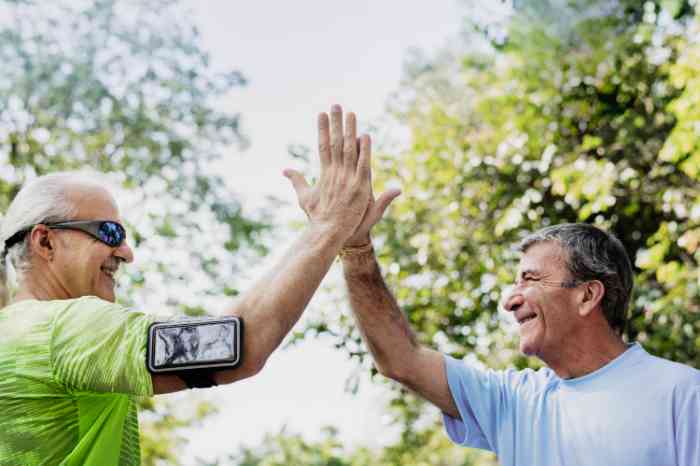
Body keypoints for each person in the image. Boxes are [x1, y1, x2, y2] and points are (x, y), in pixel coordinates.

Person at [0, 105, 376, 465]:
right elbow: (235, 344)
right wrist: (328, 227)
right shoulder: (64, 328)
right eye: (109, 232)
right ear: (45, 241)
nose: (127, 252)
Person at [331, 215, 700, 465]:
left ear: (587, 296)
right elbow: (401, 360)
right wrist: (356, 249)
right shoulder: (515, 401)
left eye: (531, 279)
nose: (510, 300)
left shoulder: (682, 395)